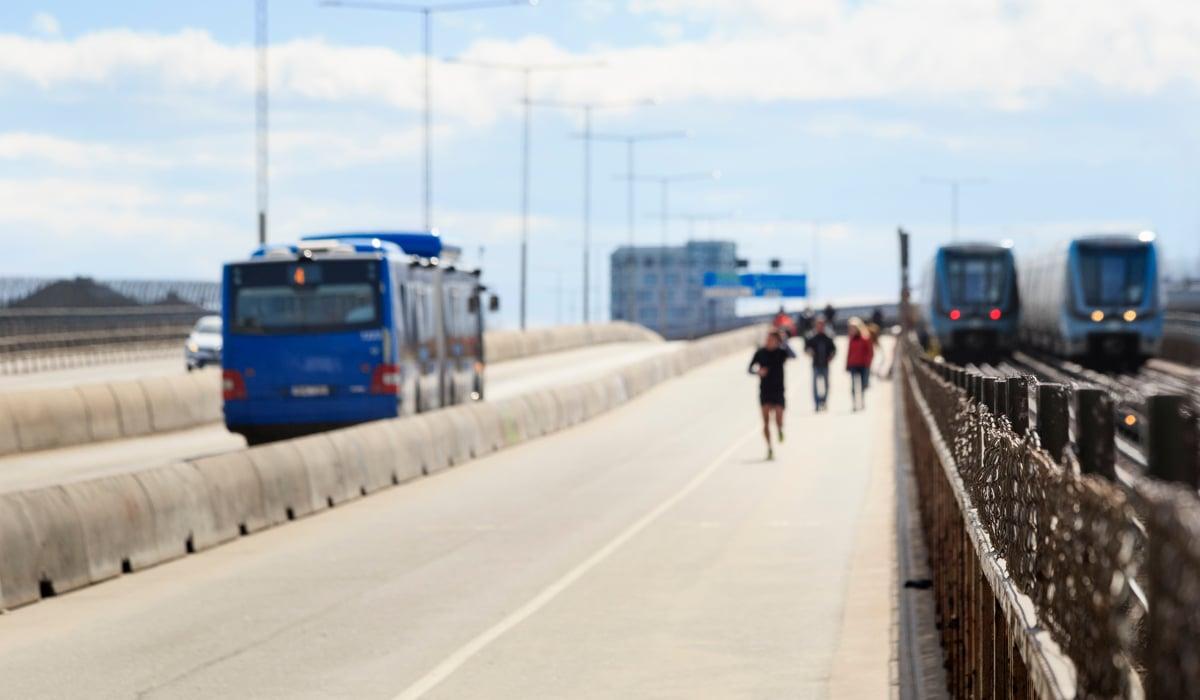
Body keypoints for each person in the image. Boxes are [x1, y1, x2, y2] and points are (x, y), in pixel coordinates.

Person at [748, 330, 795, 460]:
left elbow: (794, 355)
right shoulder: (760, 353)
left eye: (772, 339)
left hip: (779, 390)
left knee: (778, 418)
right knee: (766, 422)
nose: (768, 341)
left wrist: (785, 342)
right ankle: (769, 448)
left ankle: (780, 429)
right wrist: (758, 372)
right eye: (767, 338)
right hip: (765, 391)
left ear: (777, 340)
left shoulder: (781, 352)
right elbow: (750, 369)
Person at [804, 316, 836, 411]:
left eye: (822, 324)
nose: (820, 326)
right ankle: (817, 403)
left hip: (825, 364)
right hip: (816, 364)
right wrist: (809, 352)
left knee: (826, 385)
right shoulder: (812, 337)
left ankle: (824, 401)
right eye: (818, 324)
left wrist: (831, 356)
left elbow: (833, 349)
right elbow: (806, 348)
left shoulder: (828, 337)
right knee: (815, 386)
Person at [846, 317, 874, 411]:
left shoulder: (865, 338)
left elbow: (870, 352)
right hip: (853, 364)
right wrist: (847, 364)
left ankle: (862, 401)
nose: (852, 330)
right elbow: (849, 352)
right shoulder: (851, 339)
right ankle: (854, 403)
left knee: (863, 385)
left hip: (863, 365)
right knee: (854, 385)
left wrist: (868, 363)